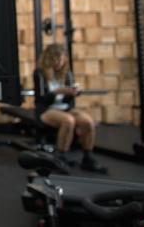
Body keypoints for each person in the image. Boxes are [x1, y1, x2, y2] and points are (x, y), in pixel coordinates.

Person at [34, 44, 106, 173]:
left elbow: (69, 99)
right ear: (49, 59)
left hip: (65, 108)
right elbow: (40, 99)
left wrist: (74, 92)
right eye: (56, 60)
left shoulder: (67, 74)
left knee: (88, 122)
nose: (59, 63)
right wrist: (57, 92)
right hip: (46, 109)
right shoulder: (39, 73)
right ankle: (60, 157)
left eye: (61, 60)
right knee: (68, 121)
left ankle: (87, 157)